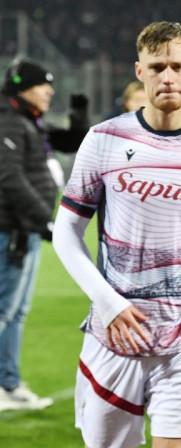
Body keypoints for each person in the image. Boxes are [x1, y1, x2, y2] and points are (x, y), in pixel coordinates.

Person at [52, 21, 181, 448]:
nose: (168, 77)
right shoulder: (104, 140)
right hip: (114, 335)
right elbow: (67, 232)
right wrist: (107, 303)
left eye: (177, 66)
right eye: (157, 66)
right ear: (140, 70)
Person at [0, 59, 60, 412]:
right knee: (5, 311)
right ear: (23, 88)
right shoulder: (9, 121)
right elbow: (9, 178)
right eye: (43, 84)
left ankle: (8, 383)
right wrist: (44, 220)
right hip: (11, 230)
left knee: (16, 311)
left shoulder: (26, 121)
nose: (50, 91)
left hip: (23, 231)